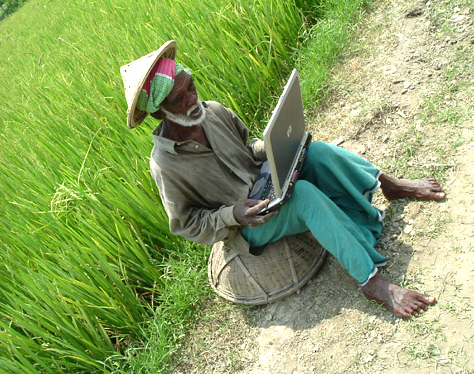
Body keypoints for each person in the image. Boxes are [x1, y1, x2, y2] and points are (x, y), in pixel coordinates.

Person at [121, 41, 445, 318]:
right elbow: (186, 225)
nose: (192, 99)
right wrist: (234, 214)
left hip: (267, 183)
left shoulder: (214, 112)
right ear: (159, 112)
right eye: (179, 98)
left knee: (316, 153)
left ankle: (388, 184)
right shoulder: (166, 164)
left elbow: (247, 149)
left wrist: (280, 147)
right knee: (302, 194)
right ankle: (372, 282)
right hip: (246, 225)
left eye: (190, 86)